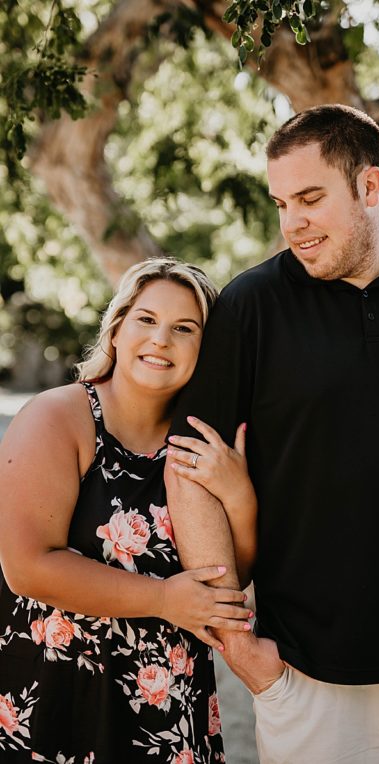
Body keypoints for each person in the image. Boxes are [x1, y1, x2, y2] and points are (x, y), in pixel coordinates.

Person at [162, 103, 379, 763]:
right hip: (308, 670)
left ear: (369, 187)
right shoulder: (252, 305)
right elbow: (187, 468)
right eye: (280, 202)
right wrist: (237, 641)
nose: (292, 222)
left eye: (311, 198)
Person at [0, 259, 254, 762]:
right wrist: (164, 599)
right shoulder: (58, 418)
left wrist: (239, 494)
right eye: (146, 319)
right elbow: (26, 566)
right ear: (116, 329)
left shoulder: (204, 442)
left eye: (185, 328)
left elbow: (228, 582)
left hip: (166, 698)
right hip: (59, 685)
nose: (161, 339)